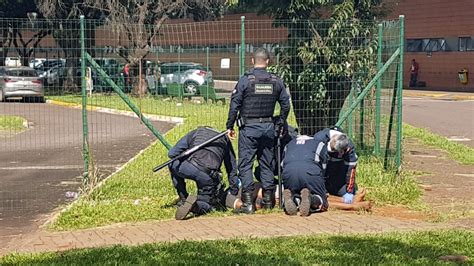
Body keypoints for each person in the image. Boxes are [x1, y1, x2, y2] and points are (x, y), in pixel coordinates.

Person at [226, 48, 291, 214]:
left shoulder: (246, 81)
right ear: (268, 62)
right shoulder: (276, 81)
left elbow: (235, 105)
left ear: (253, 61)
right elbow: (285, 104)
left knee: (246, 164)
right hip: (269, 129)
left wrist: (230, 126)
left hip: (249, 129)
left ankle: (248, 204)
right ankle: (268, 201)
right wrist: (281, 122)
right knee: (267, 163)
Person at [168, 126, 239, 220]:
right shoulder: (225, 140)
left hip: (189, 167)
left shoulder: (196, 132)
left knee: (172, 164)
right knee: (207, 203)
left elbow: (172, 153)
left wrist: (187, 156)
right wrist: (233, 191)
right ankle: (196, 206)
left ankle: (183, 198)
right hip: (208, 175)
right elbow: (231, 168)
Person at [281, 135, 329, 216]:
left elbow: (283, 164)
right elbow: (324, 167)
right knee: (322, 201)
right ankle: (312, 198)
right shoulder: (320, 144)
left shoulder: (289, 144)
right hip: (310, 172)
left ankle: (294, 200)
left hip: (289, 172)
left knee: (294, 192)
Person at [313, 126, 358, 204]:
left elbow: (351, 169)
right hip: (320, 174)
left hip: (337, 175)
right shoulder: (319, 139)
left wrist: (349, 191)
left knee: (345, 193)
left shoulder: (349, 147)